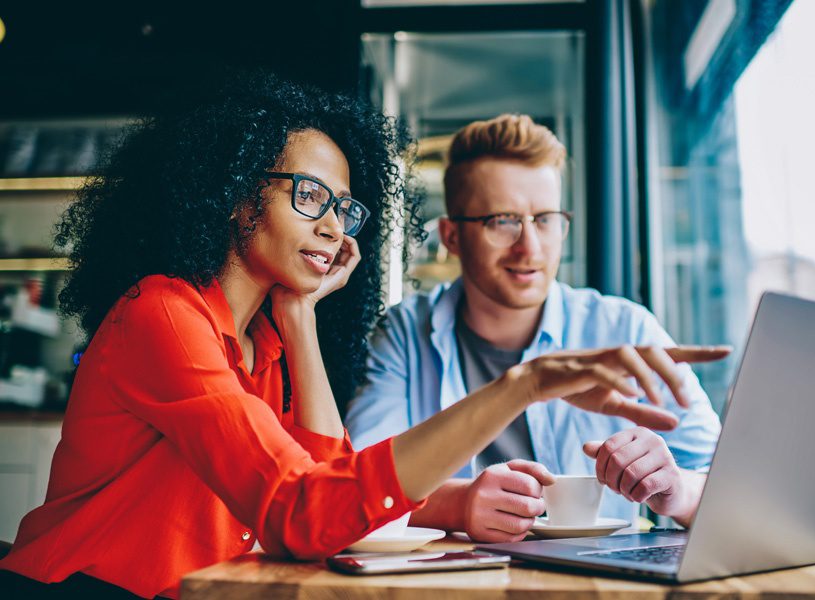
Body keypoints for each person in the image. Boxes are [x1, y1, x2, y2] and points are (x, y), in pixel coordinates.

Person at [0, 76, 726, 598]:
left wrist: (301, 316)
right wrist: (523, 386)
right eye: (309, 196)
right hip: (83, 589)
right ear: (234, 193)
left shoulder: (267, 343)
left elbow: (330, 500)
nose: (331, 226)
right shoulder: (163, 316)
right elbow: (305, 511)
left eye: (344, 207)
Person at [345, 114, 726, 543]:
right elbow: (355, 485)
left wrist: (676, 490)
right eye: (502, 221)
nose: (530, 247)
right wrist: (459, 503)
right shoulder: (404, 333)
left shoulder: (624, 328)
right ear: (451, 237)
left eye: (545, 219)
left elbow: (730, 485)